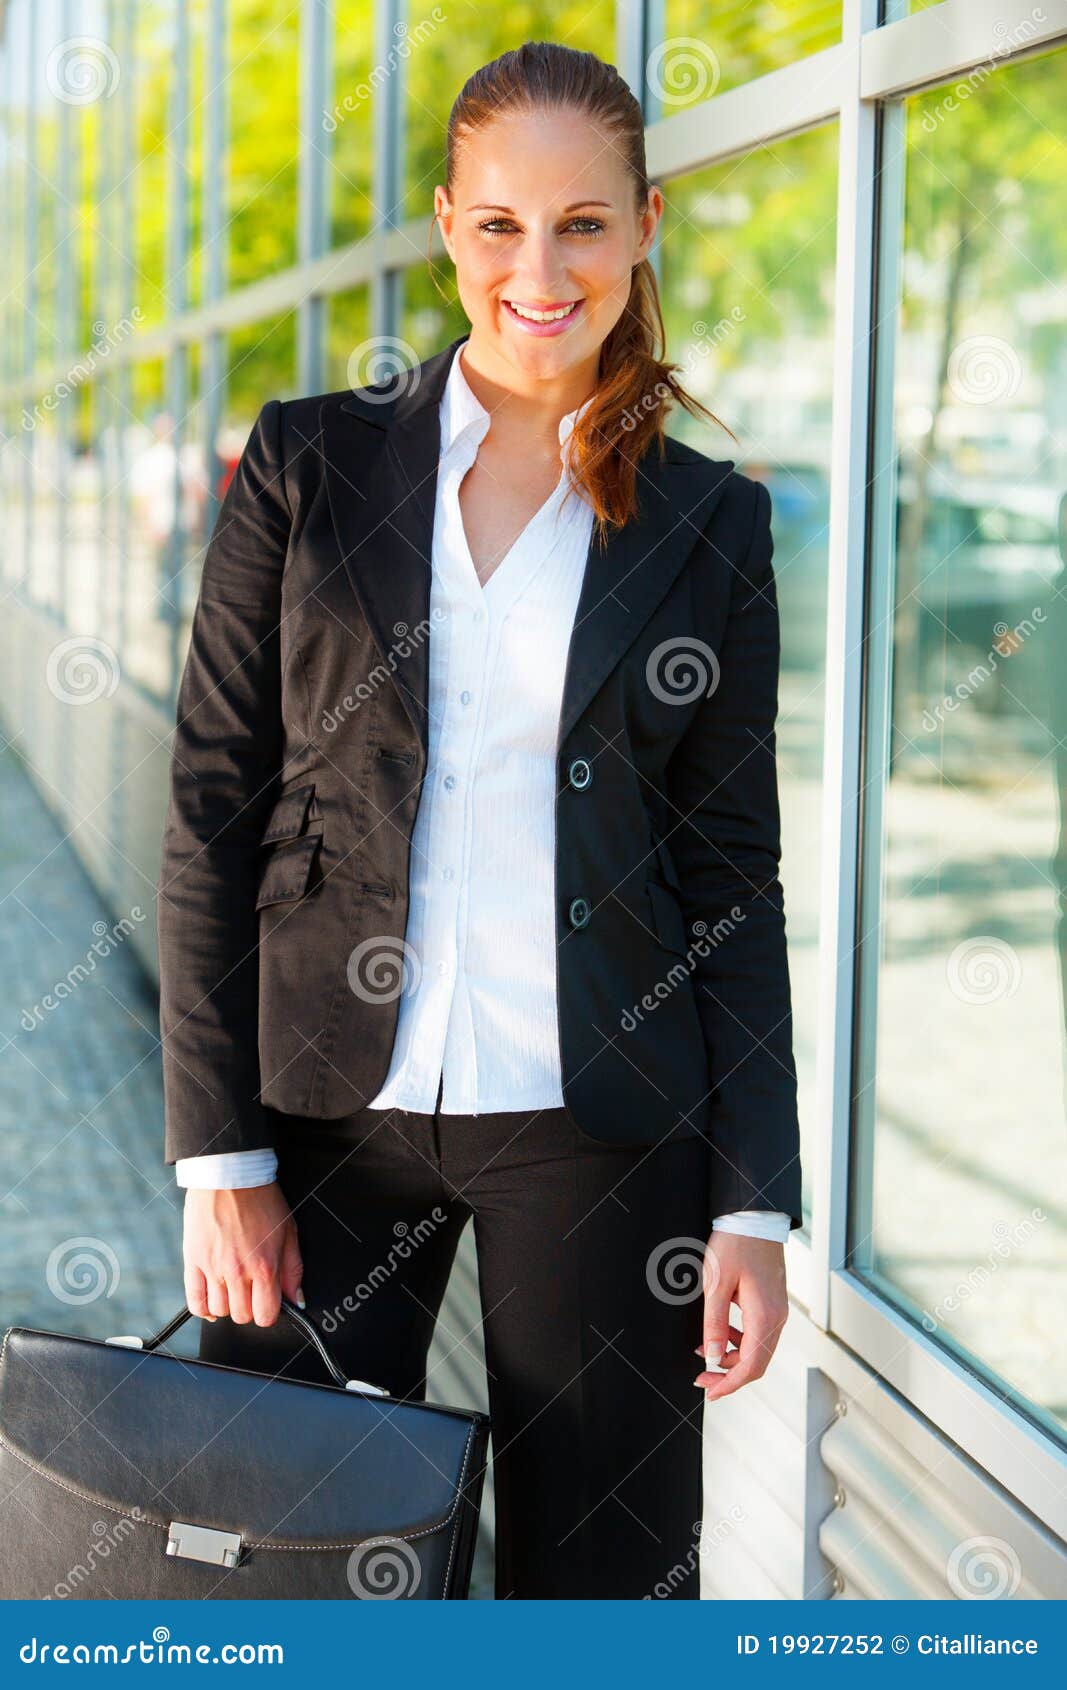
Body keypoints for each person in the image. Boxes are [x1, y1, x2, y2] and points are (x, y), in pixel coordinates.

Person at [157, 40, 801, 1600]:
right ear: (449, 226)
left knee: (606, 1576)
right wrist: (216, 1153)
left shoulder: (712, 520)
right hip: (319, 1117)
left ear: (644, 229)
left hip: (596, 1121)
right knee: (278, 1562)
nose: (542, 267)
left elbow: (731, 869)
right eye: (503, 224)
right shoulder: (310, 463)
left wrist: (753, 1198)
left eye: (584, 224)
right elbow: (211, 806)